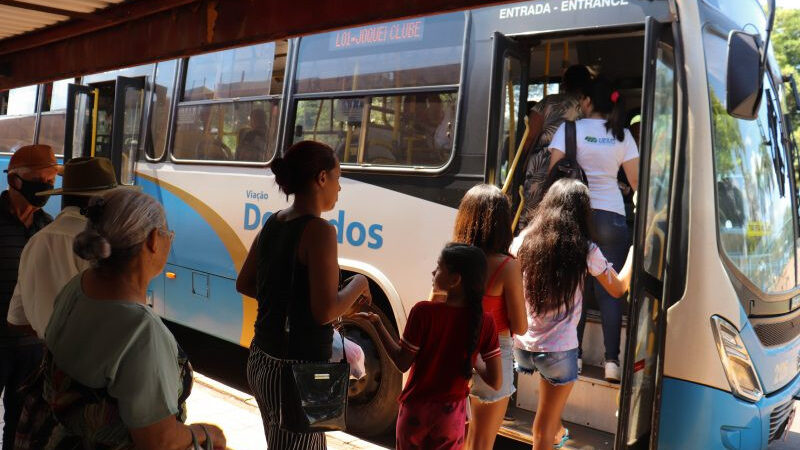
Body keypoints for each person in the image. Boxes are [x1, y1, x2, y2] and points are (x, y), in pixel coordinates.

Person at [17, 189, 226, 449]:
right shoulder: (140, 331)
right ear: (152, 240)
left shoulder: (77, 287)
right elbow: (158, 441)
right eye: (168, 234)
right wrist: (208, 432)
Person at [236, 140, 372, 449]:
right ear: (321, 178)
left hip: (262, 361)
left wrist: (286, 300)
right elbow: (325, 311)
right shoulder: (320, 232)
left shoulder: (272, 222)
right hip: (298, 373)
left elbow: (244, 283)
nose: (339, 189)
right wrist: (359, 283)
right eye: (337, 179)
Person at [514, 179, 632, 450]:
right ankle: (555, 433)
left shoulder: (524, 241)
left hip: (525, 346)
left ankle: (560, 431)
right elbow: (617, 289)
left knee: (549, 417)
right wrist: (634, 257)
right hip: (559, 352)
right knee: (542, 430)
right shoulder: (585, 249)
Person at [359, 243, 503, 450]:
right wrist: (472, 357)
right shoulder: (485, 322)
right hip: (451, 417)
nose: (433, 272)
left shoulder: (424, 312)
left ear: (455, 280)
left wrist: (377, 324)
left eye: (439, 267)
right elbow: (496, 381)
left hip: (416, 411)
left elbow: (402, 362)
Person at [547, 77, 639, 382]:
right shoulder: (623, 135)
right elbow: (637, 183)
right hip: (612, 217)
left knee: (576, 288)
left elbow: (552, 174)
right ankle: (612, 362)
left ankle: (575, 356)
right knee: (610, 291)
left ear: (587, 102)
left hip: (576, 214)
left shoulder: (570, 130)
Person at [7, 157, 127, 339]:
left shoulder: (35, 241)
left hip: (53, 357)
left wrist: (52, 340)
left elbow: (16, 319)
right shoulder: (103, 246)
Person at [451, 184, 527, 450]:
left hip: (454, 352)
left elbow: (432, 305)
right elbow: (520, 325)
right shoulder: (507, 266)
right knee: (482, 442)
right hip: (494, 354)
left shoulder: (453, 260)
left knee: (456, 437)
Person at [0, 144, 58, 450]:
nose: (46, 187)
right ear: (15, 181)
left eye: (50, 182)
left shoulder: (48, 227)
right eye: (40, 179)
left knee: (20, 422)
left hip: (32, 347)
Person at [521, 65, 593, 211]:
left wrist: (520, 166)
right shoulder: (590, 107)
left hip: (542, 165)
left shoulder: (548, 102)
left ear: (564, 83)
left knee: (534, 211)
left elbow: (530, 137)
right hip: (576, 166)